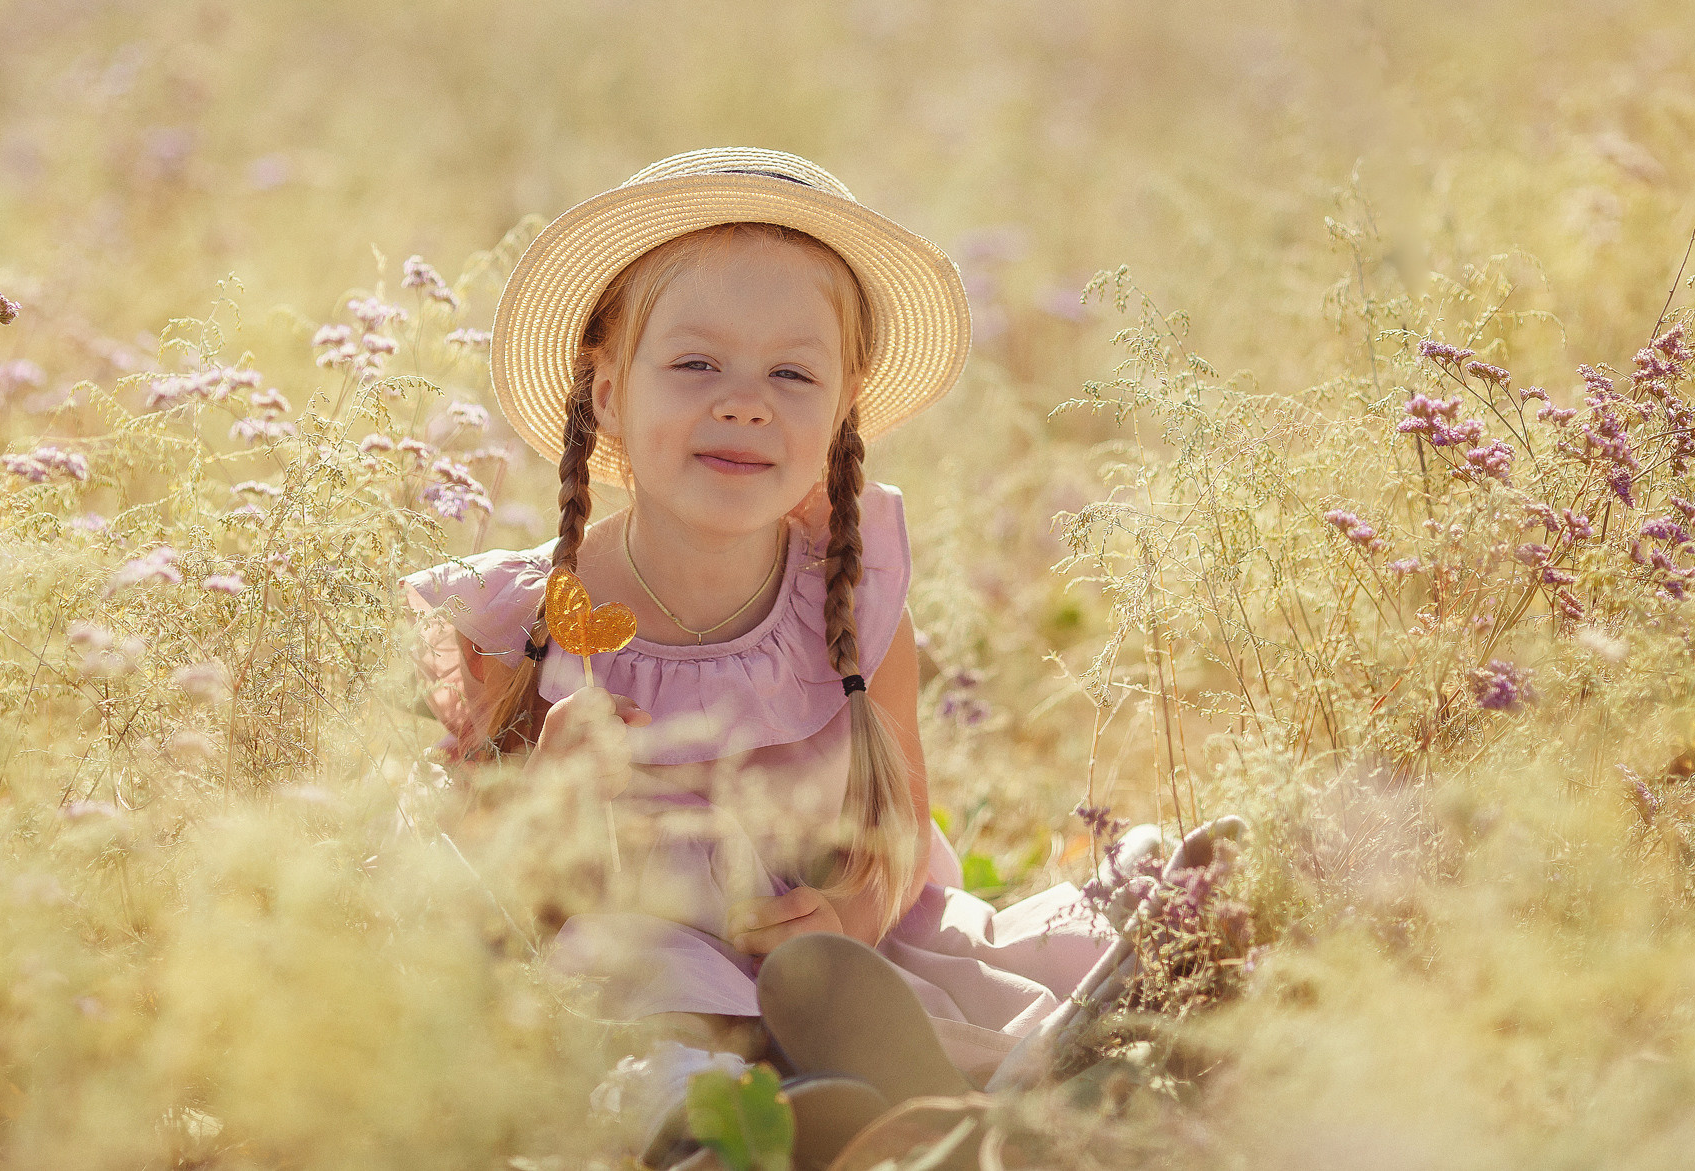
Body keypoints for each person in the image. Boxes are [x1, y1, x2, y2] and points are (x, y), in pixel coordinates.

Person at [402, 148, 1240, 1168]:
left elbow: (896, 828)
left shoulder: (845, 604)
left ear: (842, 408)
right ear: (609, 394)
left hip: (833, 967)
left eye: (792, 374)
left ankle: (971, 1079)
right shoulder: (524, 625)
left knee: (914, 969)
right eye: (697, 365)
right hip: (650, 980)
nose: (745, 402)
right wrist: (552, 799)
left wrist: (845, 915)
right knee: (624, 1001)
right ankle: (766, 1118)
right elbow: (481, 906)